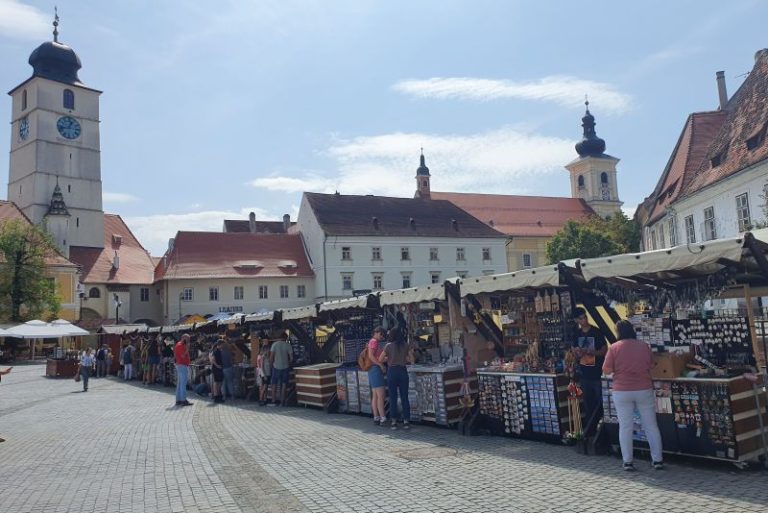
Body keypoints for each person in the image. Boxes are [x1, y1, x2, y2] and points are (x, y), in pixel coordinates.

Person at [603, 320, 664, 471]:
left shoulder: (614, 348)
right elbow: (651, 365)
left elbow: (606, 370)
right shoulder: (644, 346)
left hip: (622, 391)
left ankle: (628, 462)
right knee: (651, 425)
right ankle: (657, 460)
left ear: (618, 332)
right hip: (643, 388)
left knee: (625, 427)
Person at [571, 307, 607, 435]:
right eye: (581, 318)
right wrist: (577, 353)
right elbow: (574, 352)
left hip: (597, 373)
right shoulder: (576, 334)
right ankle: (590, 431)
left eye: (585, 317)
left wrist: (592, 352)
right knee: (588, 404)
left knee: (601, 403)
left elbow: (604, 351)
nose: (584, 320)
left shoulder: (596, 332)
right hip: (584, 374)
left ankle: (603, 431)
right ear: (576, 320)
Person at [381, 328, 414, 430]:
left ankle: (394, 422)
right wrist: (404, 358)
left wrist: (389, 358)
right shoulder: (405, 345)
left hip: (392, 372)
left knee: (393, 397)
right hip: (403, 371)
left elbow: (380, 359)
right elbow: (412, 360)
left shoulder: (388, 346)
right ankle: (406, 421)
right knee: (404, 397)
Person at [367, 326, 387, 426]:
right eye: (381, 335)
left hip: (372, 369)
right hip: (375, 369)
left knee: (375, 395)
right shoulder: (374, 342)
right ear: (377, 332)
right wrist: (380, 365)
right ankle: (383, 418)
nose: (382, 337)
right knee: (381, 395)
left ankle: (376, 417)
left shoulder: (372, 341)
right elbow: (371, 356)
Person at [269, 336, 293, 406]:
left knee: (274, 384)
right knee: (284, 384)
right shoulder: (288, 345)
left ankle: (273, 401)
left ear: (279, 338)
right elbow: (291, 358)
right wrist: (288, 364)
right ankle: (282, 401)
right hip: (285, 367)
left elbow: (271, 357)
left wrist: (271, 366)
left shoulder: (274, 344)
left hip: (276, 367)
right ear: (285, 338)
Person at [174, 334, 193, 406]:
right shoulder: (180, 345)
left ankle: (178, 400)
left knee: (180, 384)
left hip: (181, 365)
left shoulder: (180, 345)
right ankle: (183, 400)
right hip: (182, 365)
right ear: (183, 338)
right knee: (183, 384)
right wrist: (187, 349)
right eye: (187, 339)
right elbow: (182, 355)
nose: (188, 340)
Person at [209, 339, 225, 403]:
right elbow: (212, 360)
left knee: (219, 382)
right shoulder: (216, 351)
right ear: (220, 344)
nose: (223, 346)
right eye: (223, 344)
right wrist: (217, 365)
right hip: (216, 369)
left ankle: (218, 395)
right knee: (217, 383)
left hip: (218, 368)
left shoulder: (219, 350)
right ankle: (216, 397)